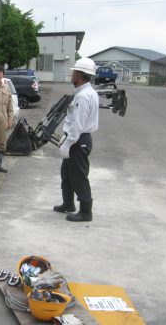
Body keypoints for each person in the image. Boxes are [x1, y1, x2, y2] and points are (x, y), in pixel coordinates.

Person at [54, 58, 99, 222]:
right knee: (66, 174)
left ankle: (86, 212)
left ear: (80, 75)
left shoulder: (83, 96)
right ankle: (68, 204)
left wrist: (68, 142)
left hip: (78, 140)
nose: (72, 74)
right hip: (77, 139)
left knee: (78, 176)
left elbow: (78, 124)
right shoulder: (85, 93)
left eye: (74, 72)